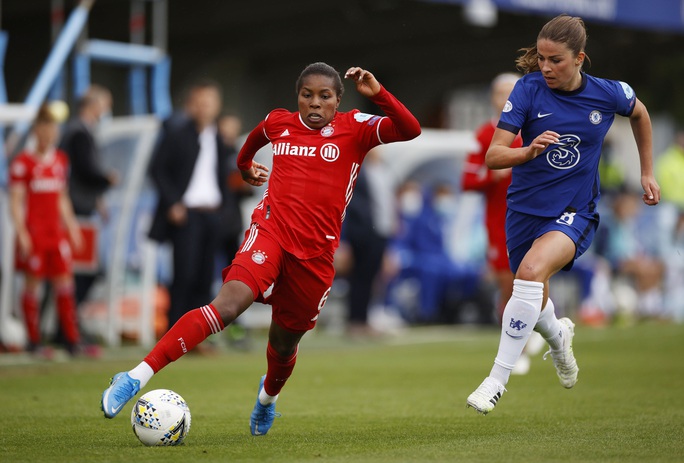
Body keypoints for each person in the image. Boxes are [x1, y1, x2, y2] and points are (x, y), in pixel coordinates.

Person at [100, 63, 421, 435]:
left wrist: (378, 92)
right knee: (227, 305)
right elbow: (248, 146)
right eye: (307, 95)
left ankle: (267, 399)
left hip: (316, 257)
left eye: (324, 96)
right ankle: (135, 376)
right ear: (297, 97)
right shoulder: (278, 122)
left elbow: (409, 129)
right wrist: (244, 166)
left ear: (338, 100)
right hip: (271, 232)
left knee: (284, 344)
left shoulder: (356, 128)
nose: (314, 103)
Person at [465, 14, 660, 414]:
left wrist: (646, 172)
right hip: (523, 211)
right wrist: (528, 150)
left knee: (531, 272)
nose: (546, 67)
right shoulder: (528, 90)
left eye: (555, 60)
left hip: (574, 211)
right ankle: (558, 338)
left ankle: (495, 380)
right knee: (533, 296)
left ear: (579, 58)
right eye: (541, 58)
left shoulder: (609, 94)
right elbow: (494, 155)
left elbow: (640, 114)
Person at [461, 73, 544, 375]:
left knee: (537, 275)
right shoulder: (485, 135)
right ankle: (514, 347)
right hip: (499, 220)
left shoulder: (537, 129)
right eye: (500, 93)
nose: (506, 98)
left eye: (512, 92)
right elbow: (467, 180)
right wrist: (491, 176)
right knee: (507, 283)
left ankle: (537, 329)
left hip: (536, 216)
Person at [147, 79, 235, 331]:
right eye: (199, 103)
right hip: (187, 216)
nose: (204, 108)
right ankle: (173, 334)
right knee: (184, 275)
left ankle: (196, 336)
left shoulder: (218, 137)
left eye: (209, 103)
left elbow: (224, 178)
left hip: (212, 215)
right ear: (192, 105)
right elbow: (157, 170)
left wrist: (225, 210)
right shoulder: (177, 134)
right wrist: (173, 203)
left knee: (205, 277)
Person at [9, 105, 84, 356]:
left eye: (53, 128)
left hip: (56, 233)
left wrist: (72, 227)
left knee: (65, 283)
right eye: (45, 127)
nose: (49, 133)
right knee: (33, 285)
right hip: (35, 233)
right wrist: (21, 232)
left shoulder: (60, 160)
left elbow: (62, 197)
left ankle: (72, 341)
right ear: (36, 130)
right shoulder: (23, 163)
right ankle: (33, 340)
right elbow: (16, 201)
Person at [59, 84, 118, 305]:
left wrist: (98, 200)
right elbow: (85, 170)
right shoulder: (79, 132)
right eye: (105, 105)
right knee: (80, 270)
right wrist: (107, 178)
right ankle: (65, 327)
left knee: (81, 269)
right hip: (75, 209)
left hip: (80, 206)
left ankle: (67, 325)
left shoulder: (82, 130)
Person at [339, 148, 396, 336]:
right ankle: (355, 321)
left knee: (372, 278)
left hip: (381, 231)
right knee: (359, 278)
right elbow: (348, 204)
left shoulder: (384, 171)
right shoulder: (358, 170)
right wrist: (344, 240)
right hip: (362, 232)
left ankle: (364, 319)